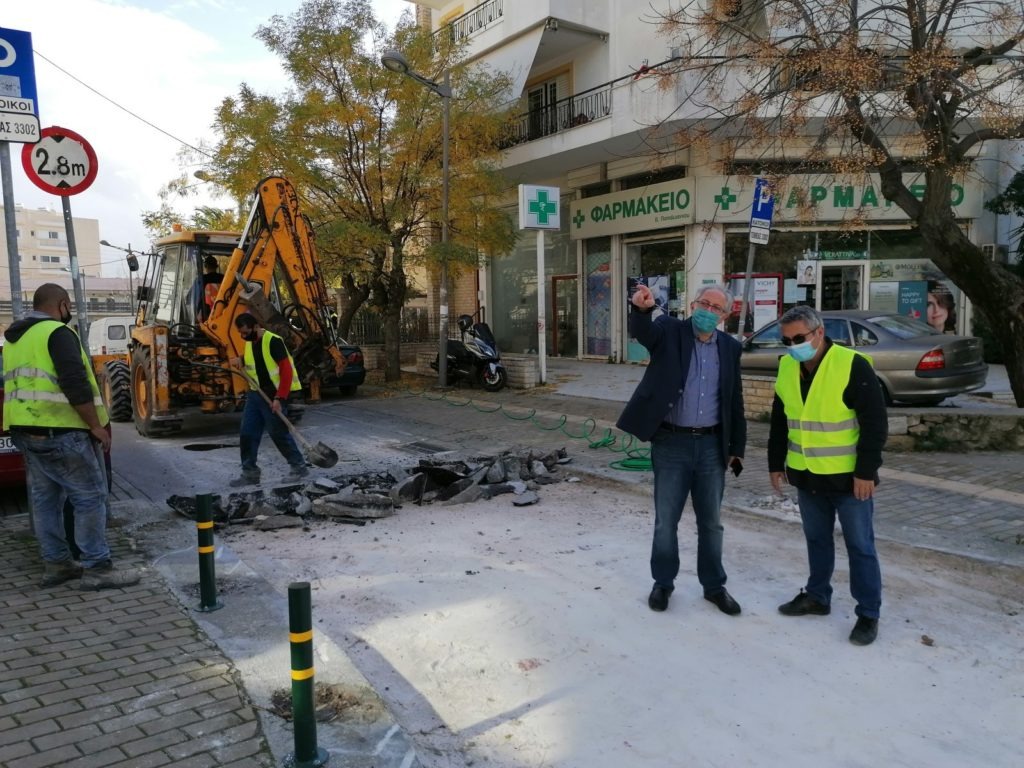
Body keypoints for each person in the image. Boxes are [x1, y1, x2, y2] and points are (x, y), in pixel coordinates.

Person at [617, 284, 747, 616]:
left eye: (715, 308)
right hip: (671, 442)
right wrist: (641, 309)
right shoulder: (669, 331)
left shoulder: (730, 348)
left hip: (712, 446)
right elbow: (643, 332)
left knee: (712, 523)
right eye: (704, 303)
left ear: (725, 315)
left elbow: (734, 400)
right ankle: (663, 583)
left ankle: (714, 586)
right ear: (692, 305)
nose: (708, 311)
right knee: (666, 521)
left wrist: (737, 447)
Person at [2, 283, 139, 590]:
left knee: (46, 500)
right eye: (69, 307)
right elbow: (74, 382)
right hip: (61, 431)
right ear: (62, 304)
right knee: (89, 498)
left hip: (26, 430)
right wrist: (95, 425)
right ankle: (97, 568)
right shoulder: (58, 333)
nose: (70, 312)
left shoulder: (14, 339)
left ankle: (57, 565)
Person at [768, 305, 887, 646]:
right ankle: (817, 596)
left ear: (819, 332)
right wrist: (775, 463)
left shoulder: (851, 365)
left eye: (799, 338)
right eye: (786, 340)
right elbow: (780, 420)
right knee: (817, 540)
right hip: (807, 477)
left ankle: (868, 613)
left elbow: (875, 424)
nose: (793, 346)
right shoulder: (787, 367)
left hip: (850, 481)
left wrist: (866, 471)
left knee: (860, 546)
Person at [230, 313, 308, 487]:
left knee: (278, 433)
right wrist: (241, 359)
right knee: (247, 433)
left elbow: (286, 371)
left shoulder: (273, 341)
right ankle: (250, 473)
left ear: (255, 327)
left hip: (274, 395)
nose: (243, 336)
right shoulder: (250, 342)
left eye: (245, 332)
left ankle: (298, 466)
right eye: (240, 333)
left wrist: (280, 398)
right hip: (255, 394)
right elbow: (256, 360)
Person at [200, 255, 224, 320]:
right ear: (216, 266)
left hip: (205, 314)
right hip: (221, 312)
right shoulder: (224, 278)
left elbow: (191, 297)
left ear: (205, 266)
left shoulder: (202, 279)